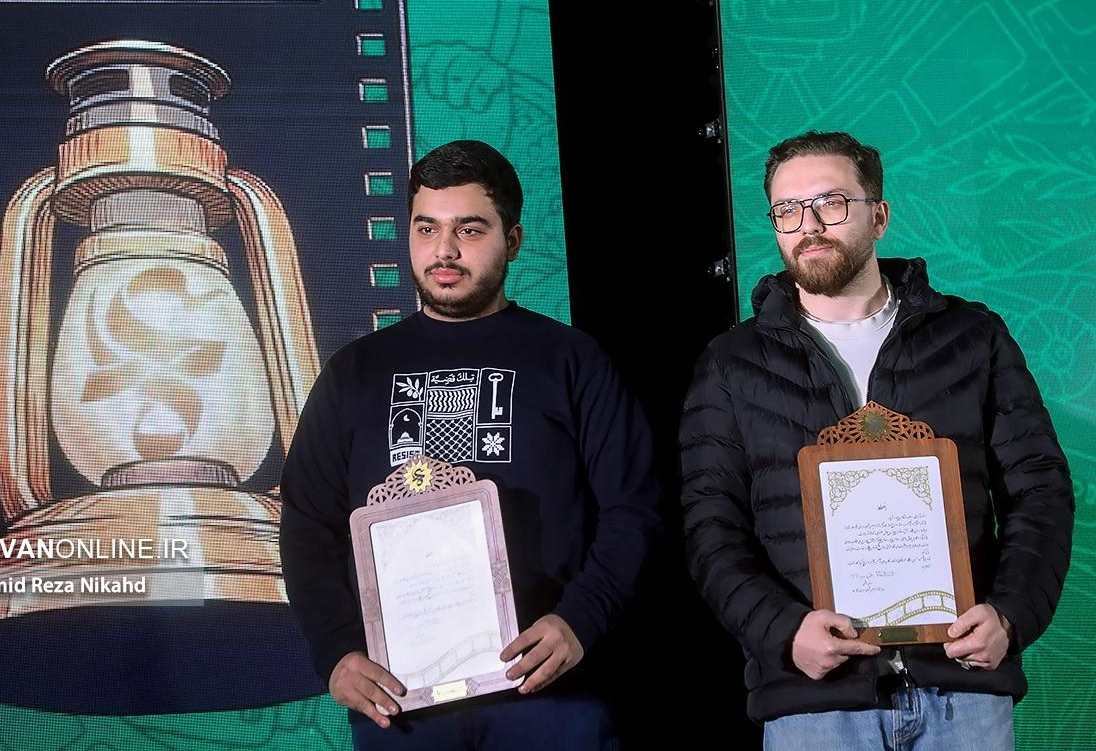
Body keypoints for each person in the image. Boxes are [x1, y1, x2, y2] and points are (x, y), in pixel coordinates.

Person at [679, 130, 1073, 749]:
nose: (809, 225)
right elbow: (711, 526)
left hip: (963, 687)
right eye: (787, 210)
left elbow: (1041, 491)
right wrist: (784, 632)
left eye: (831, 203)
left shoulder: (972, 337)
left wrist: (1010, 614)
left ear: (879, 216)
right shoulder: (732, 363)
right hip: (815, 700)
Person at [281, 139, 661, 749]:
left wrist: (580, 620)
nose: (444, 250)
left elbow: (634, 509)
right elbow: (306, 524)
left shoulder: (571, 360)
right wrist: (335, 651)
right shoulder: (354, 373)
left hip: (550, 693)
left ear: (513, 239)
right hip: (402, 703)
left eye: (469, 229)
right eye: (426, 228)